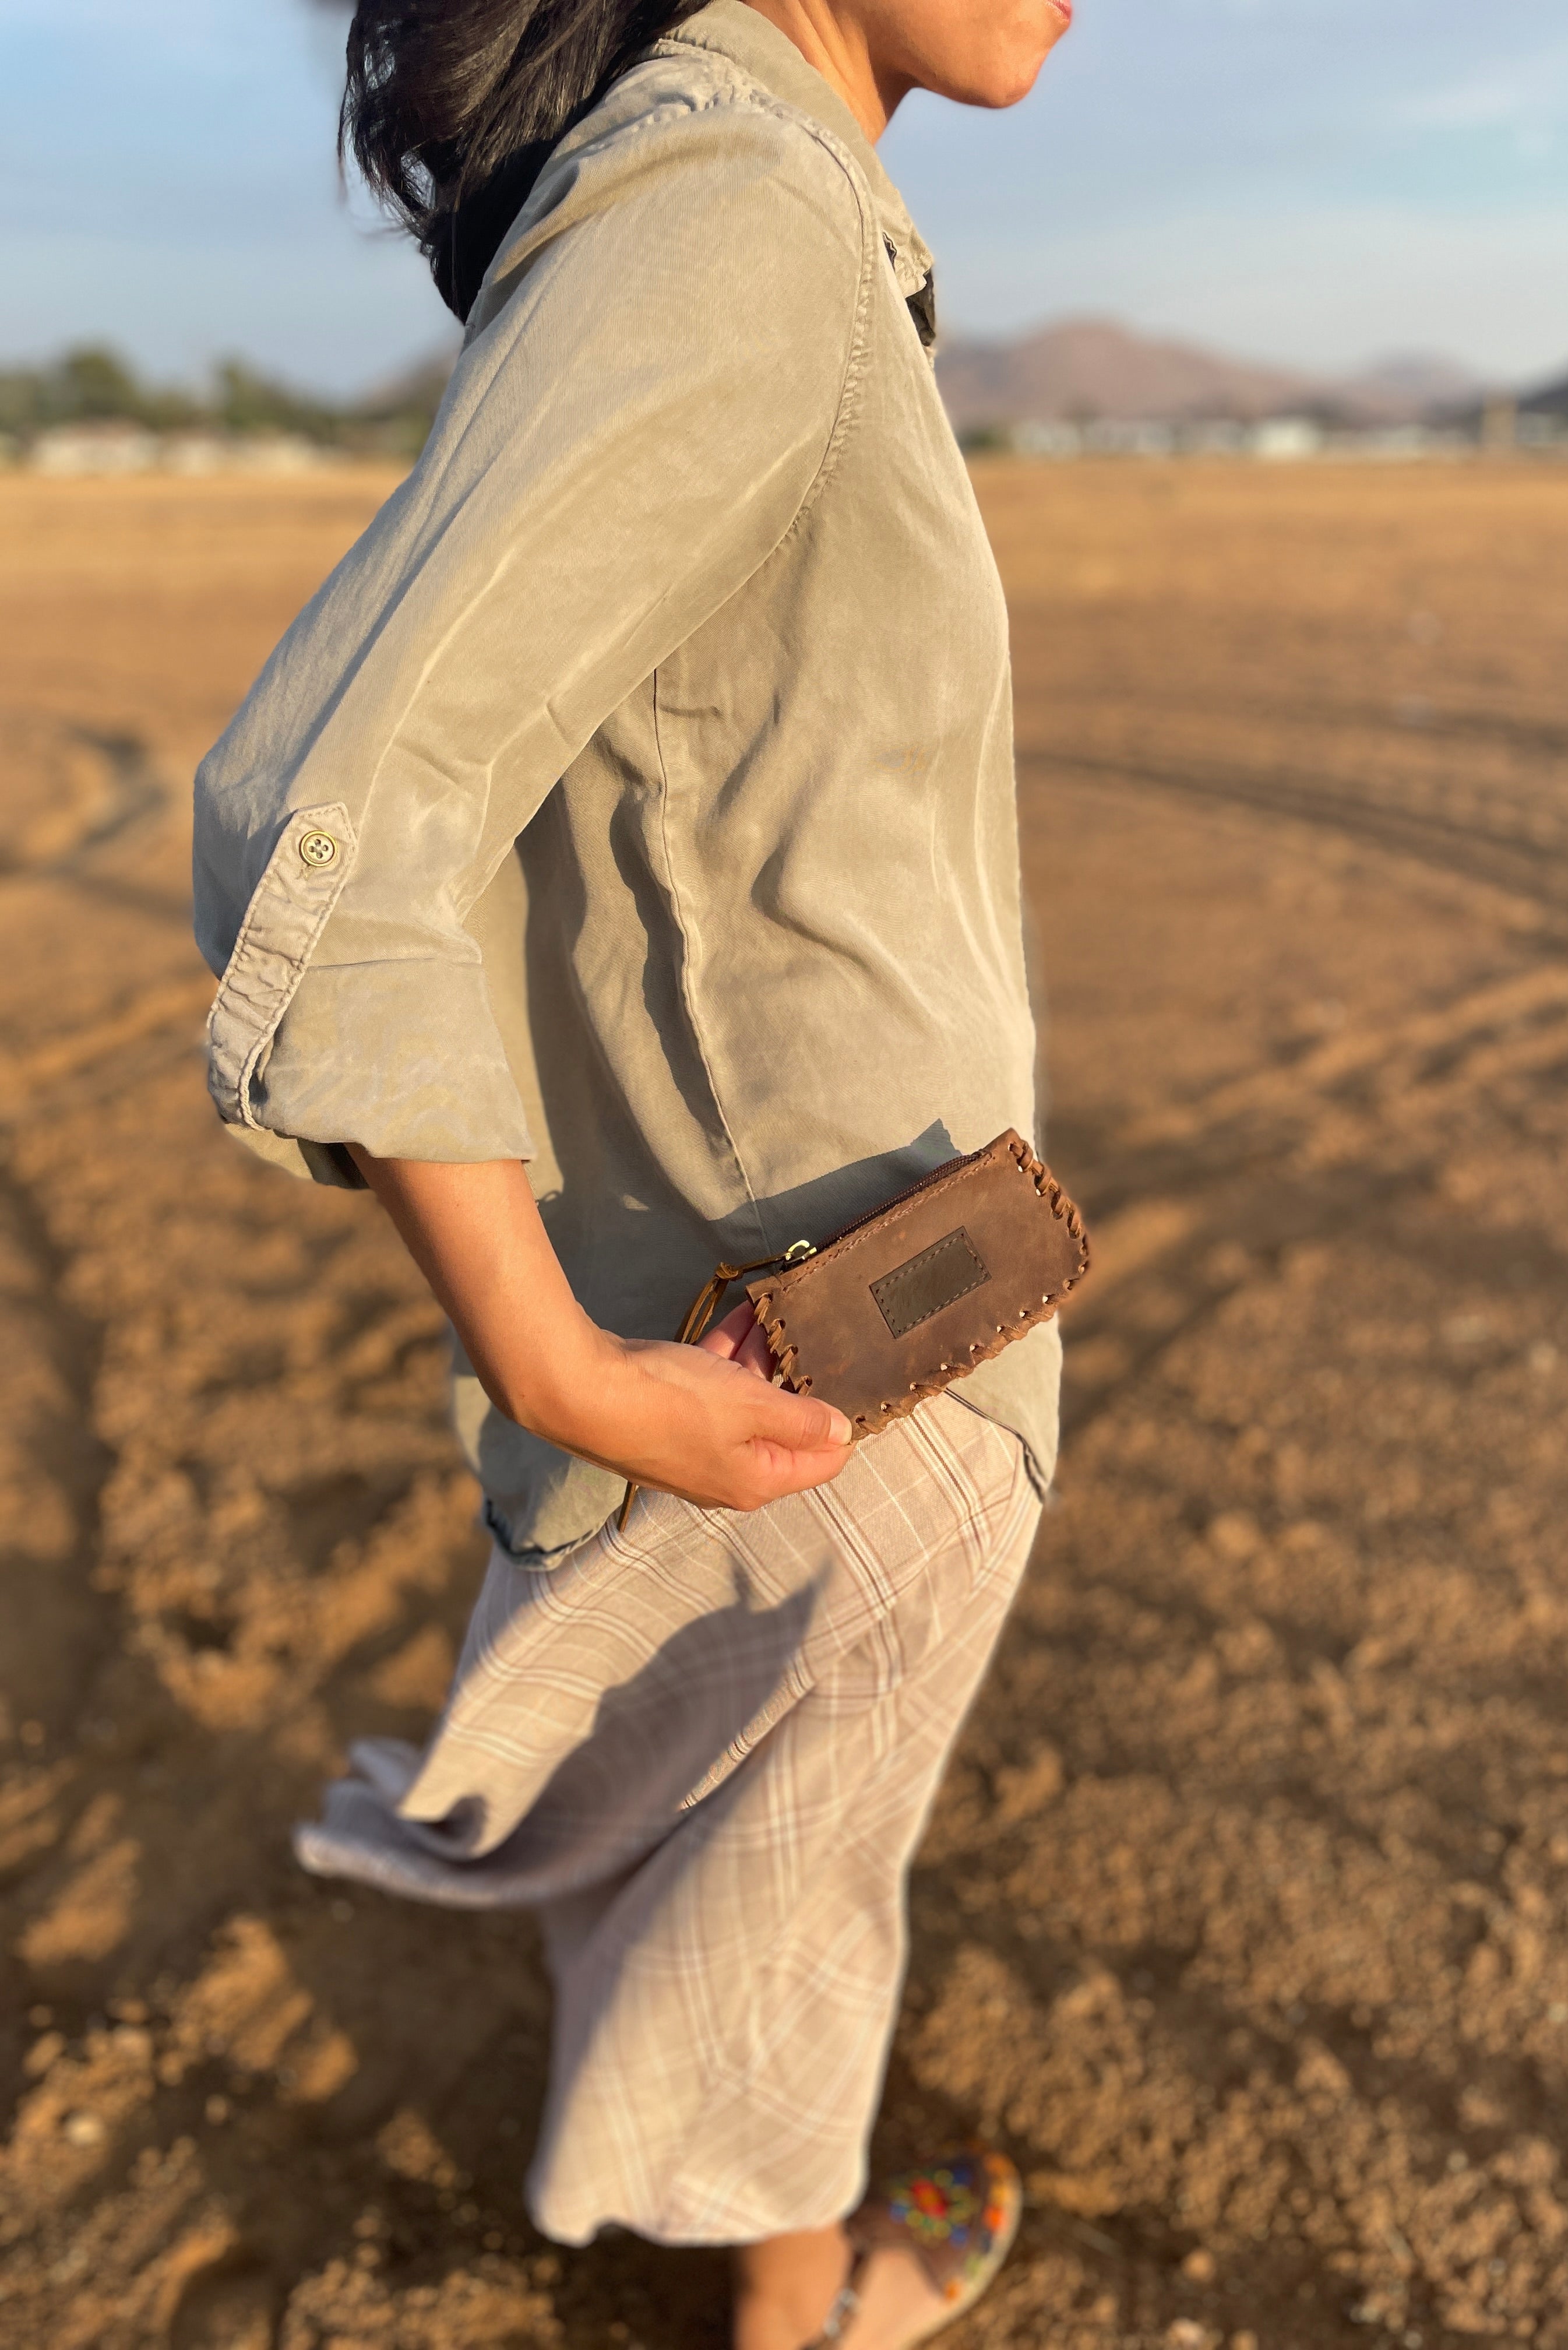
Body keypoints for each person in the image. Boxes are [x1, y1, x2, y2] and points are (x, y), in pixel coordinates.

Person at [192, 0, 1072, 2341]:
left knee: (738, 1894)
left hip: (791, 1325)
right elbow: (337, 809)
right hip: (816, 1364)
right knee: (780, 1919)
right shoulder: (737, 211)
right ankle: (814, 2310)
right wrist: (565, 1368)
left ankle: (787, 2267)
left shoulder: (759, 200)